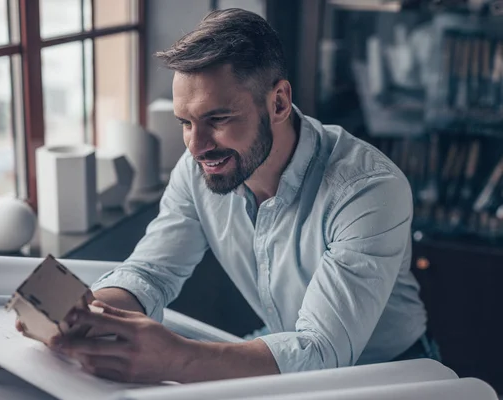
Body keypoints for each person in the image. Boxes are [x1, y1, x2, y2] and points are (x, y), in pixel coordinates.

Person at [22, 8, 440, 384]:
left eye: (217, 119)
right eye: (185, 122)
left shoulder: (369, 189)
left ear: (278, 102)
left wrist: (177, 360)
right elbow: (150, 274)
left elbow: (321, 350)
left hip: (389, 373)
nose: (196, 145)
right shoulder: (199, 167)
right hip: (283, 350)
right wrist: (85, 312)